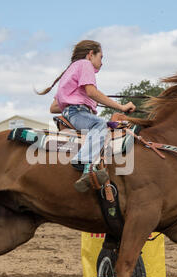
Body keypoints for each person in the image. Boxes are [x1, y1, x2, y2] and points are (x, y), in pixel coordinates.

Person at [39, 40, 136, 192]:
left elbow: (54, 107)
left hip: (71, 113)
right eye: (101, 57)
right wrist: (121, 107)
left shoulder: (70, 70)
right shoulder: (85, 64)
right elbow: (91, 92)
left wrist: (84, 99)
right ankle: (85, 164)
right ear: (91, 54)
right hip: (78, 112)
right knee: (99, 125)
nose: (102, 62)